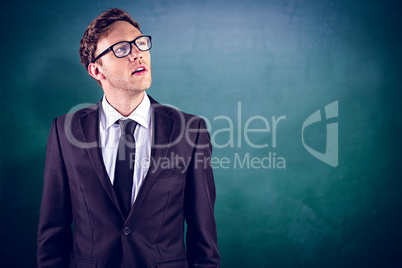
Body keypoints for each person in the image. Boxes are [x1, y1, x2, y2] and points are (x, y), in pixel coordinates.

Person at [37, 8, 220, 268]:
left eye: (140, 43)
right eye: (121, 49)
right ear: (96, 71)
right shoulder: (65, 132)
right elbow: (52, 234)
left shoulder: (191, 130)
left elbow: (205, 241)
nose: (137, 53)